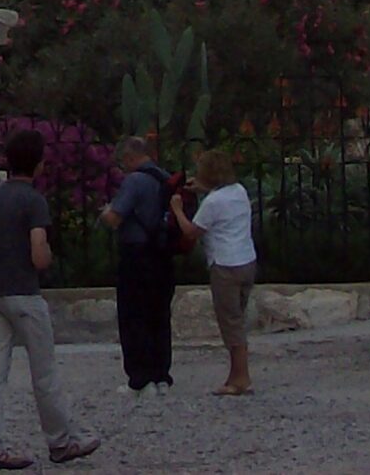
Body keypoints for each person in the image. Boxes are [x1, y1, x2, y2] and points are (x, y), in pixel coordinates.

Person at [0, 126, 99, 470]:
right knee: (43, 371)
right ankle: (60, 440)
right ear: (39, 164)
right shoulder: (33, 201)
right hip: (24, 293)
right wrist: (47, 256)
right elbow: (39, 253)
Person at [171, 147, 257, 395]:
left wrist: (177, 209)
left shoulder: (212, 202)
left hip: (225, 264)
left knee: (230, 323)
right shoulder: (238, 191)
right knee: (237, 318)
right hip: (246, 260)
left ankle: (240, 378)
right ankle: (235, 374)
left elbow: (192, 232)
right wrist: (202, 189)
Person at [99, 134, 178, 393]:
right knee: (159, 315)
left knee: (134, 316)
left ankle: (140, 378)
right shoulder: (164, 178)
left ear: (129, 157)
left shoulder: (134, 181)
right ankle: (161, 373)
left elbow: (115, 217)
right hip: (162, 254)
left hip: (137, 254)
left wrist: (105, 211)